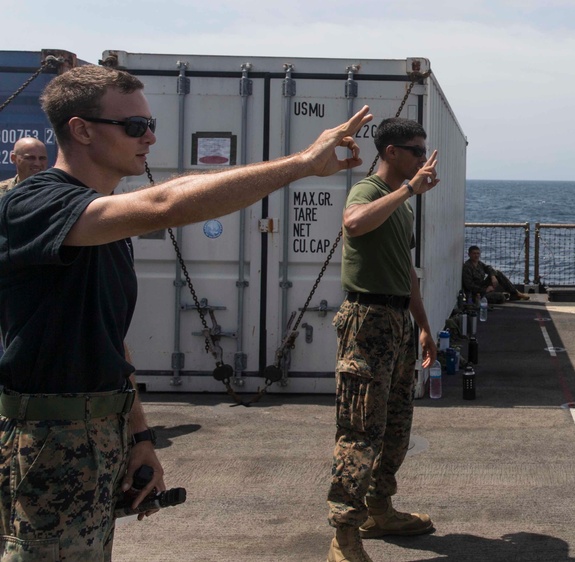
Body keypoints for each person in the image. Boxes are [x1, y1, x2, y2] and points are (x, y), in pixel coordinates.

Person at [0, 65, 374, 560]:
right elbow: (164, 206)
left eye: (150, 123)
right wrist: (303, 162)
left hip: (97, 435)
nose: (150, 136)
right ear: (82, 129)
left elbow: (111, 340)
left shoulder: (98, 221)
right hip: (47, 442)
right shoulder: (35, 203)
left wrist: (139, 435)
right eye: (134, 126)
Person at [326, 117, 440, 562]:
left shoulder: (401, 205)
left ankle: (379, 509)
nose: (421, 158)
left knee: (395, 427)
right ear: (391, 152)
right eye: (415, 150)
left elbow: (405, 270)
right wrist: (409, 190)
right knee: (360, 431)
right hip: (367, 319)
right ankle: (344, 534)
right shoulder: (370, 192)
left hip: (397, 321)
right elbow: (353, 224)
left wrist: (424, 324)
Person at [461, 245, 530, 302]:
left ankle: (515, 293)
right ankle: (504, 296)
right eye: (474, 253)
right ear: (469, 254)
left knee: (498, 273)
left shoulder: (479, 263)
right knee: (501, 297)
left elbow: (488, 268)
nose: (476, 255)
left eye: (478, 253)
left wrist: (492, 276)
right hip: (476, 294)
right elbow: (469, 286)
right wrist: (485, 290)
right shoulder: (467, 267)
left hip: (483, 287)